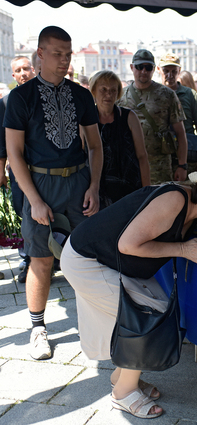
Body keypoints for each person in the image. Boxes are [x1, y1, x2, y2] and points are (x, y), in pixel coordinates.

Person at [60, 160, 197, 419]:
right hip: (87, 259)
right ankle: (122, 395)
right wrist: (182, 249)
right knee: (149, 314)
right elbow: (128, 245)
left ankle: (121, 377)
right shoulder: (174, 200)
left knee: (159, 308)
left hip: (112, 261)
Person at [4, 26, 103, 360]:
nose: (64, 60)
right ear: (40, 54)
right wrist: (33, 199)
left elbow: (94, 145)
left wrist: (94, 186)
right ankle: (37, 328)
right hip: (39, 184)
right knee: (41, 259)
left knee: (87, 255)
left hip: (78, 182)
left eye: (68, 53)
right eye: (57, 53)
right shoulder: (20, 97)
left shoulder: (80, 94)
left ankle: (96, 321)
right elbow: (14, 154)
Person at [118, 49, 188, 184]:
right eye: (139, 67)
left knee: (160, 202)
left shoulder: (167, 95)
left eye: (148, 67)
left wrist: (182, 165)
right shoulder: (121, 95)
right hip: (129, 164)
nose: (144, 71)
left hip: (159, 166)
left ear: (154, 69)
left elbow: (180, 133)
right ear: (132, 67)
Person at [0, 56, 37, 283]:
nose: (23, 73)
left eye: (26, 68)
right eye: (18, 70)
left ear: (33, 70)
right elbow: (2, 142)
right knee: (23, 211)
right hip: (17, 170)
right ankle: (28, 260)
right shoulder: (5, 103)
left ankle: (52, 257)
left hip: (44, 168)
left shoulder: (42, 96)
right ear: (13, 75)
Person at [89, 70, 150, 207]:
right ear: (93, 91)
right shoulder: (87, 120)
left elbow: (142, 156)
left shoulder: (129, 117)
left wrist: (146, 191)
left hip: (130, 189)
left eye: (113, 90)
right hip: (98, 192)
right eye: (103, 89)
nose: (108, 94)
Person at [158, 53, 197, 173]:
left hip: (188, 158)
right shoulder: (155, 94)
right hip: (162, 159)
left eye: (174, 71)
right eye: (166, 71)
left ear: (179, 71)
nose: (170, 75)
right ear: (159, 70)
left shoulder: (189, 94)